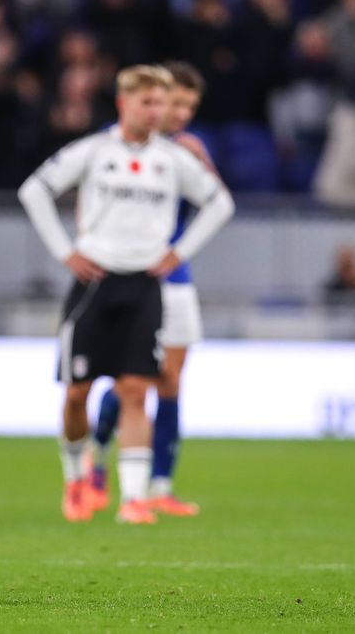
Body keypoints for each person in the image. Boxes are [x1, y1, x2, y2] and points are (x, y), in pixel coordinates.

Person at [17, 65, 234, 524]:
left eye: (162, 103)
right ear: (124, 103)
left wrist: (178, 253)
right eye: (148, 102)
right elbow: (34, 190)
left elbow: (221, 203)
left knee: (136, 389)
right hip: (94, 281)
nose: (158, 112)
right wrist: (65, 251)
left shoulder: (173, 159)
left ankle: (132, 500)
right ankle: (76, 477)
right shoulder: (94, 151)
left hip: (144, 284)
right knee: (77, 393)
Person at [88, 61, 229, 517]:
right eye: (175, 102)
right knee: (136, 378)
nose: (182, 112)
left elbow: (216, 202)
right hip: (131, 275)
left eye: (190, 105)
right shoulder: (119, 147)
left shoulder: (185, 152)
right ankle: (98, 452)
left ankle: (160, 483)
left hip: (176, 278)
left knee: (169, 378)